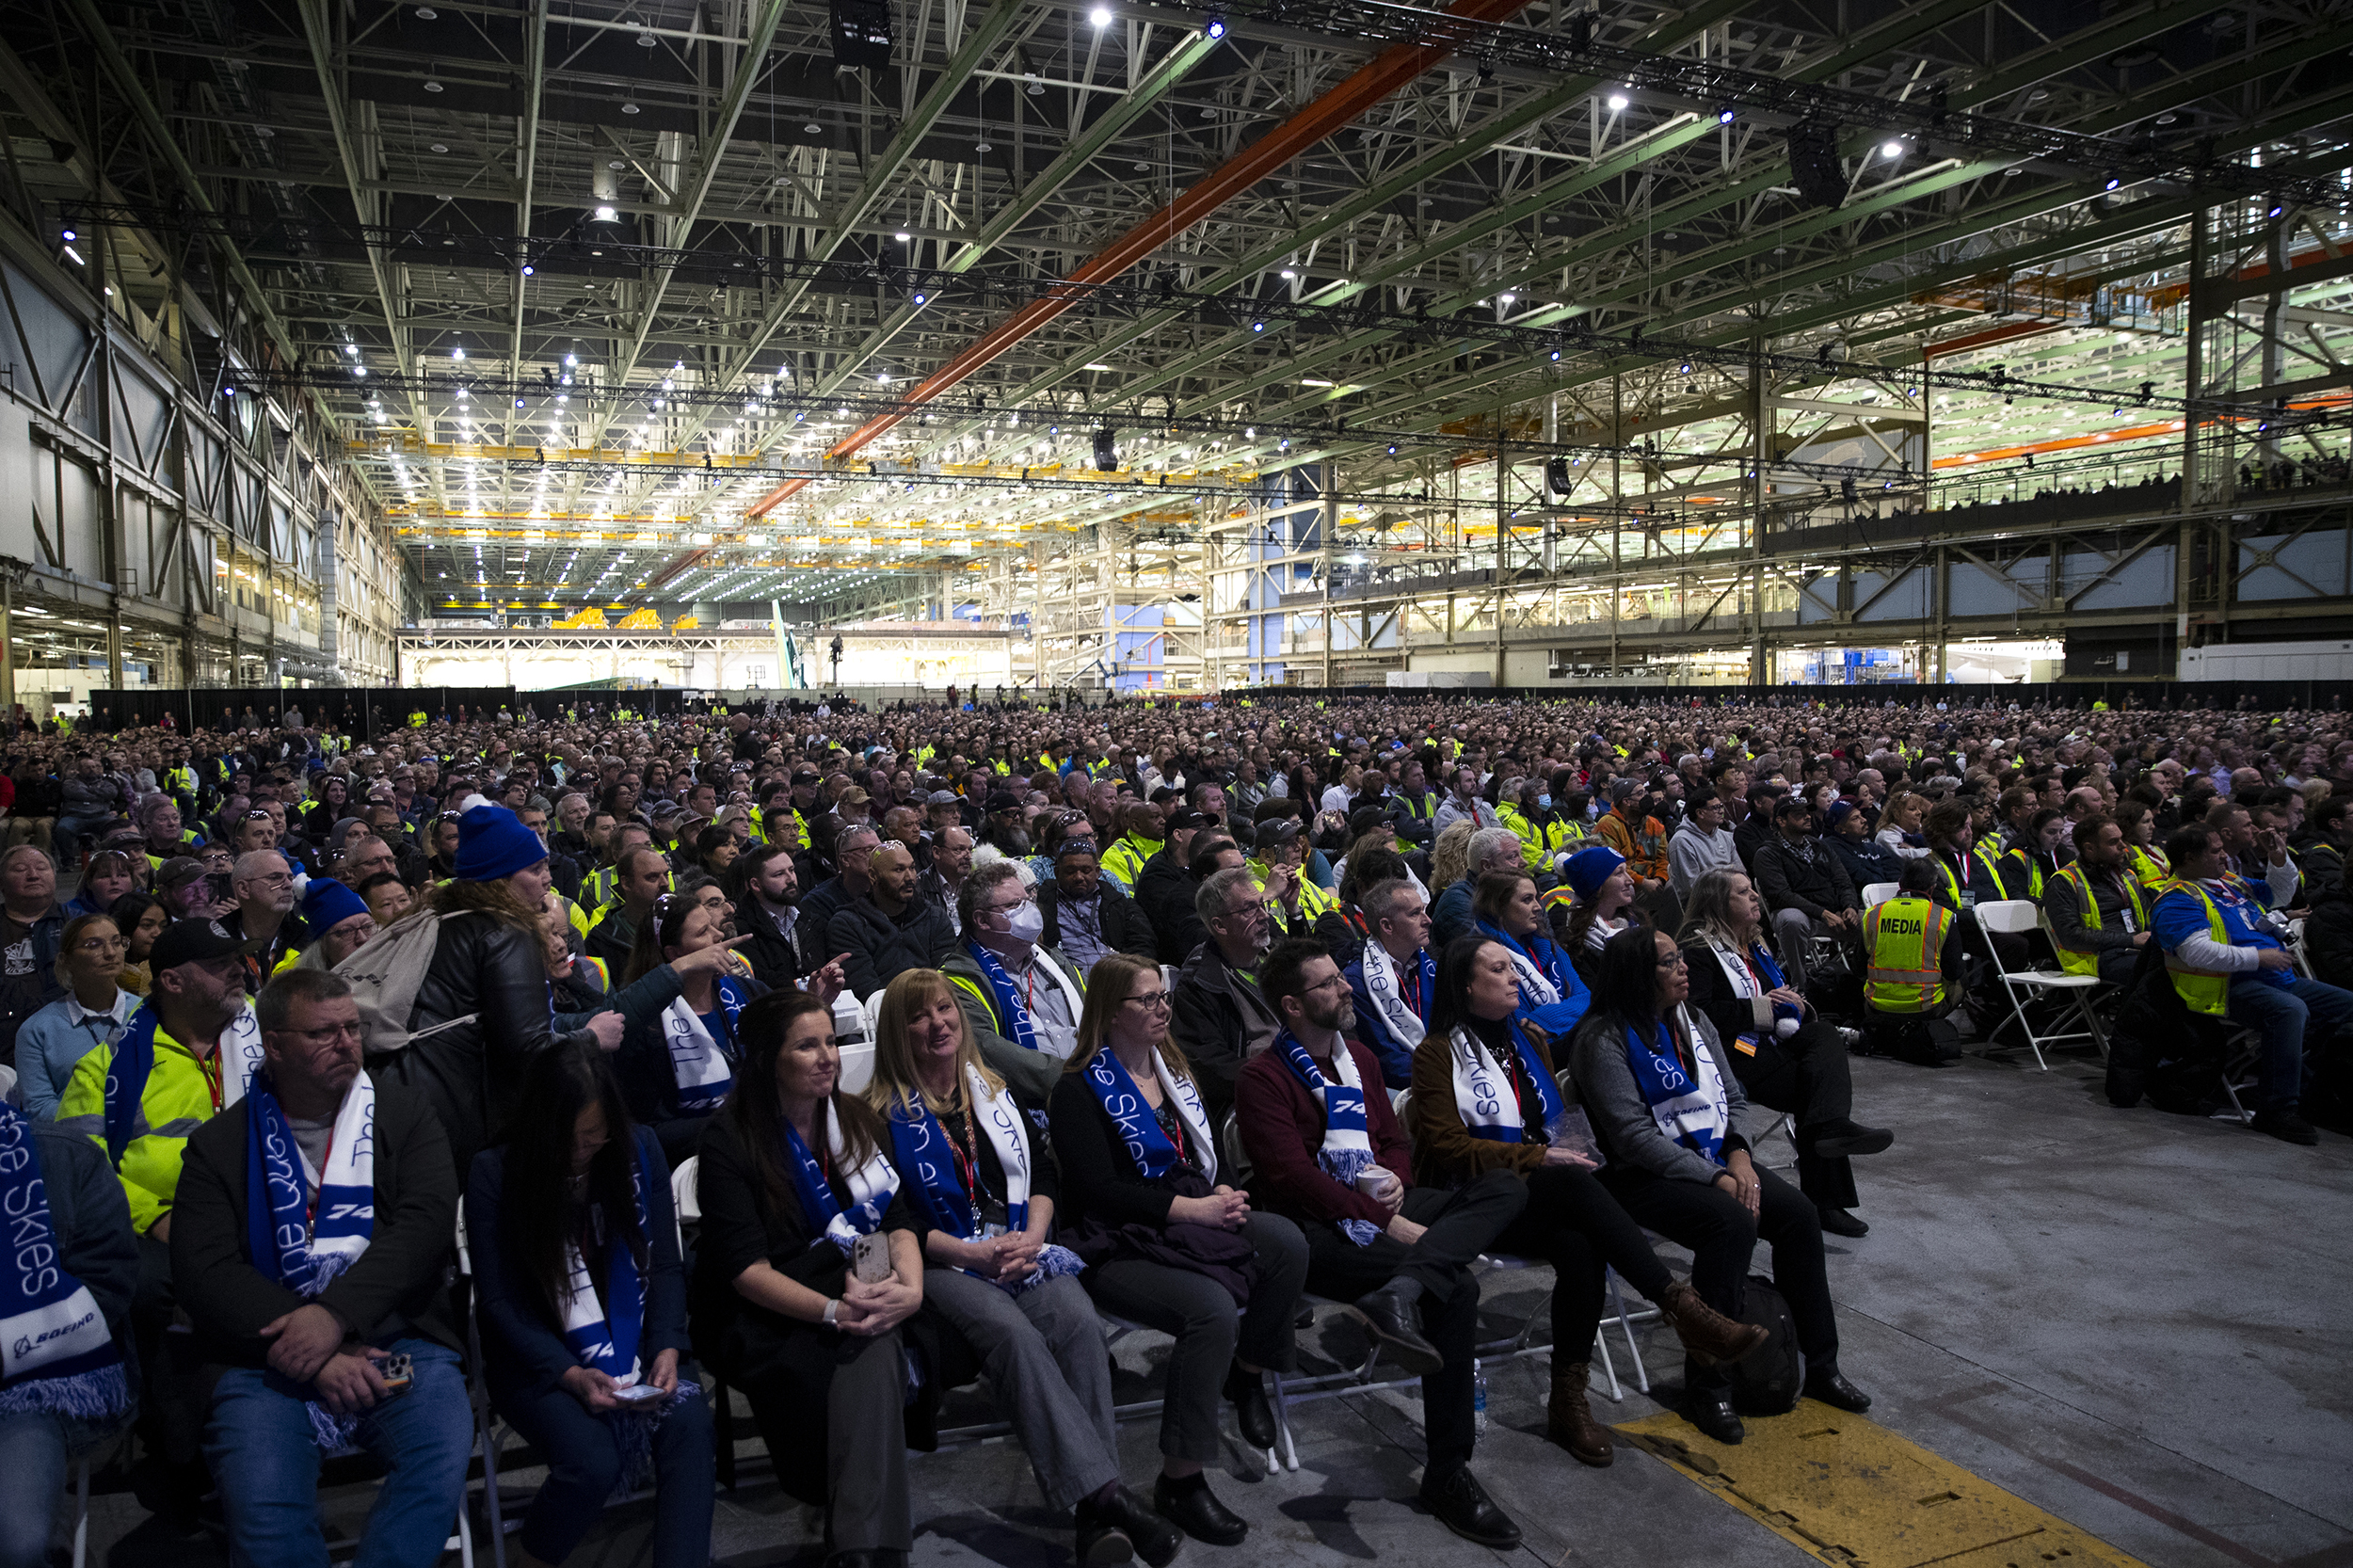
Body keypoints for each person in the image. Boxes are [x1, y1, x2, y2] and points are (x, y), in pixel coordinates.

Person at [865, 970, 1182, 1567]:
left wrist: (1034, 1237)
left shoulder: (991, 1091)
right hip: (942, 1262)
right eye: (919, 1016)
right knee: (1014, 1336)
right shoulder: (879, 1117)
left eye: (945, 1009)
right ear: (896, 1033)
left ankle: (1096, 1517)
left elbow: (1043, 1175)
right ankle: (1107, 1498)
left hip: (1021, 1246)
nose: (938, 1024)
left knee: (1078, 1322)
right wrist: (970, 1254)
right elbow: (890, 1220)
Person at [1409, 935, 1766, 1464]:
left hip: (1543, 1197)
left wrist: (1562, 1153)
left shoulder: (1527, 1041)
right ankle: (1680, 1307)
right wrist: (1539, 1158)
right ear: (1465, 987)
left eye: (1512, 968)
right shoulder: (1436, 1054)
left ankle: (1568, 1401)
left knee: (1582, 1245)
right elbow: (1448, 1148)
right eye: (1499, 970)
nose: (1515, 977)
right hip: (1474, 1203)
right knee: (1573, 1187)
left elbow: (1556, 1125)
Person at [168, 969, 472, 1568]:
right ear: (275, 1046)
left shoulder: (404, 1114)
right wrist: (318, 1352)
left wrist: (335, 1317)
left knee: (437, 1454)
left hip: (392, 1341)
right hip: (261, 1360)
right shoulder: (220, 1145)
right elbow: (205, 1272)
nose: (346, 1043)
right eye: (322, 1033)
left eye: (352, 1029)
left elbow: (424, 1227)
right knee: (264, 1508)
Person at [1236, 940, 1525, 1545]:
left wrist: (1395, 1181)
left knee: (1505, 1186)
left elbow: (1392, 1140)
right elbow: (1293, 1180)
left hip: (1379, 1201)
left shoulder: (1360, 1058)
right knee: (1457, 1288)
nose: (1346, 988)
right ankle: (1448, 1473)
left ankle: (1404, 1287)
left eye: (1340, 979)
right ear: (1292, 1005)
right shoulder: (1263, 1078)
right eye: (1328, 984)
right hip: (1316, 1227)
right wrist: (1385, 1220)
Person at [1570, 926, 1870, 1444]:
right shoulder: (1602, 1039)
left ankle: (1821, 1365)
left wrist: (1739, 1157)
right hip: (1637, 1177)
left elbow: (1734, 1097)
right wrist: (1716, 1177)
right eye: (1668, 962)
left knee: (1798, 1215)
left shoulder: (1695, 1020)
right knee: (1729, 1223)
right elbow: (1633, 1138)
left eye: (1679, 958)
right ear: (1637, 975)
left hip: (1712, 1156)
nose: (1683, 967)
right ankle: (1709, 1388)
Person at [1050, 953, 1307, 1546]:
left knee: (1287, 1244)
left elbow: (1199, 1155)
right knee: (1210, 1309)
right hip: (1115, 1240)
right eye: (1147, 999)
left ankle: (1247, 1373)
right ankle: (1181, 1482)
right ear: (1111, 1011)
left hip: (1189, 1213)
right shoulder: (1076, 1088)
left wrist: (1218, 1193)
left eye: (1163, 996)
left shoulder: (1173, 1069)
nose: (1163, 1007)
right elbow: (1097, 1190)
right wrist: (1193, 1210)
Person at [689, 991, 952, 1568]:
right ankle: (869, 1546)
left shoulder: (852, 1117)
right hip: (769, 1307)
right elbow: (746, 1271)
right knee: (872, 1346)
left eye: (830, 1041)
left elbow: (897, 1221)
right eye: (807, 1046)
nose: (828, 1057)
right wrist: (834, 1312)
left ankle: (858, 1546)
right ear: (766, 1059)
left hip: (860, 1278)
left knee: (884, 1335)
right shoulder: (729, 1139)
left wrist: (910, 1289)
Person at [467, 1043, 712, 1568]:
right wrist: (571, 1375)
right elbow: (501, 1301)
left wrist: (667, 1346)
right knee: (591, 1460)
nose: (584, 1148)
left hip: (638, 1338)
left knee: (689, 1427)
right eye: (571, 1136)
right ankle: (532, 1558)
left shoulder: (637, 1149)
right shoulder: (497, 1172)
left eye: (596, 1134)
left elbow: (665, 1267)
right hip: (542, 1358)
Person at [374, 805, 622, 1182]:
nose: (547, 880)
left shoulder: (444, 918)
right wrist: (592, 1037)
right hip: (454, 1108)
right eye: (534, 870)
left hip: (406, 1099)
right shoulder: (505, 932)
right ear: (499, 880)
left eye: (546, 866)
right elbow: (529, 1049)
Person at [1678, 870, 1893, 1237]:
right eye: (1743, 893)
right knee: (1816, 1091)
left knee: (1824, 1034)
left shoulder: (1753, 943)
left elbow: (1778, 996)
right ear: (1718, 903)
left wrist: (1796, 1005)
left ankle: (1831, 1131)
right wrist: (1762, 1008)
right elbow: (1697, 1015)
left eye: (1753, 890)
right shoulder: (1699, 949)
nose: (1755, 897)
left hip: (1770, 1043)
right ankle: (1826, 1201)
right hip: (1730, 1057)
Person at [2152, 823, 2353, 1145]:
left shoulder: (2229, 883)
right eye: (2216, 850)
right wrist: (2258, 957)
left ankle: (2311, 1091)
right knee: (2289, 1011)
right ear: (2189, 858)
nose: (2224, 856)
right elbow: (2196, 953)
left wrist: (2278, 860)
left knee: (2347, 1007)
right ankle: (2277, 1109)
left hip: (2275, 978)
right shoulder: (2177, 899)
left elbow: (2279, 895)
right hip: (2224, 986)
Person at [0, 1098, 137, 1568]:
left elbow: (108, 1282)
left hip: (31, 1386)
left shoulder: (63, 1156)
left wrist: (11, 1344)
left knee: (17, 1543)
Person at [615, 894, 766, 1161]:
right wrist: (731, 1125)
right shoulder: (646, 1027)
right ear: (675, 954)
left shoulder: (748, 991)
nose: (719, 935)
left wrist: (816, 999)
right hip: (697, 1160)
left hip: (764, 1145)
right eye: (703, 932)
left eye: (712, 926)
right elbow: (650, 1132)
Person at [943, 860, 1089, 1104]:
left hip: (1093, 1077)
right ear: (982, 920)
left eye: (1028, 900)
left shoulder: (1054, 960)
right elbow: (987, 1049)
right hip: (1033, 1098)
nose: (1029, 910)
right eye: (1014, 905)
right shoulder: (959, 979)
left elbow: (1096, 1016)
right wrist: (1072, 1079)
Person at [1169, 865, 1285, 1120]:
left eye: (1261, 904)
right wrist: (1278, 1076)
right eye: (1249, 909)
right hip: (1259, 1097)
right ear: (1219, 925)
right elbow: (1210, 1066)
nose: (1264, 916)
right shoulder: (1198, 984)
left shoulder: (1281, 958)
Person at [14, 913, 137, 1120]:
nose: (110, 953)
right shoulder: (37, 1029)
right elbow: (39, 1107)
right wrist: (105, 1123)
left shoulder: (147, 1013)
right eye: (94, 945)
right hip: (74, 1135)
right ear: (66, 960)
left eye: (117, 942)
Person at [1858, 858, 1967, 1064]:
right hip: (1925, 1009)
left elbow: (1858, 966)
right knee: (1963, 977)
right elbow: (1953, 971)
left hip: (1876, 1006)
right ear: (1932, 888)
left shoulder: (1873, 914)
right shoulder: (1942, 917)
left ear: (1900, 883)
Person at [1751, 795, 1862, 983]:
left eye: (1807, 812)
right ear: (1781, 821)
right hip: (1802, 916)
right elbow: (1781, 895)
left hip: (1835, 914)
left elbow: (1844, 882)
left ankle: (1863, 979)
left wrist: (1850, 906)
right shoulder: (1767, 853)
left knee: (1875, 919)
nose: (1807, 817)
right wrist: (1822, 913)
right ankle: (1800, 984)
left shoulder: (1821, 846)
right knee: (1792, 919)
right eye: (1799, 814)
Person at [828, 842, 955, 1000]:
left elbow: (948, 978)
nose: (910, 878)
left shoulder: (934, 917)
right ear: (873, 876)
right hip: (879, 1011)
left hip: (934, 1004)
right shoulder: (847, 925)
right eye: (899, 870)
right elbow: (865, 991)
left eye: (912, 868)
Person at [1343, 877, 1436, 1089]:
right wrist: (1442, 1077)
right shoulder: (1356, 981)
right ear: (1387, 926)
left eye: (1423, 910)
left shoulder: (1433, 969)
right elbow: (1387, 1058)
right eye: (1415, 913)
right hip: (1399, 1086)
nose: (1428, 920)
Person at [1472, 869, 1590, 1036]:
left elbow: (1586, 998)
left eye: (1536, 898)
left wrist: (1542, 1021)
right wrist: (1567, 1018)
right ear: (1499, 906)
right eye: (1527, 900)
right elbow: (1518, 1026)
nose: (1538, 907)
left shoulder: (1549, 947)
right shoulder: (1481, 957)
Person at [2044, 815, 2151, 987]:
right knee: (2157, 972)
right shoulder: (2064, 881)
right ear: (2090, 849)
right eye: (2113, 842)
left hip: (2136, 950)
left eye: (2121, 839)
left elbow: (2148, 919)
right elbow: (2071, 937)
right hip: (2096, 957)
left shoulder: (2127, 876)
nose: (2123, 846)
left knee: (2182, 962)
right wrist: (2130, 940)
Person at [1040, 838, 1157, 971]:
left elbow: (1144, 943)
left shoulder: (1120, 904)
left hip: (1119, 975)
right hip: (1068, 977)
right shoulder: (1043, 905)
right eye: (1070, 871)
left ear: (1097, 872)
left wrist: (1128, 973)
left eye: (1086, 871)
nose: (1078, 877)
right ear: (1057, 873)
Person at [0, 843, 69, 1073]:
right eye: (20, 869)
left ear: (54, 876)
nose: (33, 875)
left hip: (67, 1027)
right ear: (1, 883)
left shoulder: (78, 923)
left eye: (41, 868)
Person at [1551, 844, 1641, 987]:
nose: (1630, 880)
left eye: (1626, 871)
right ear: (1598, 886)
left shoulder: (1636, 920)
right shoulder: (1577, 947)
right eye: (1619, 873)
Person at [1431, 826, 1521, 951]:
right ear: (1486, 865)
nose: (1523, 863)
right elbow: (1483, 953)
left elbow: (1543, 936)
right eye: (1513, 857)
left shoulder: (1516, 893)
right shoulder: (1457, 899)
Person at [587, 844, 672, 971]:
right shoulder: (601, 941)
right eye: (652, 877)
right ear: (626, 883)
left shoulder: (683, 921)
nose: (665, 883)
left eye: (666, 874)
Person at [1668, 791, 1741, 901]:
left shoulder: (1725, 836)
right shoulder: (1681, 841)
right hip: (1702, 902)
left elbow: (1740, 870)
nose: (1721, 811)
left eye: (1721, 806)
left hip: (1730, 893)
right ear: (1700, 813)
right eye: (1716, 807)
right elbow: (1692, 886)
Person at [109, 890, 168, 996]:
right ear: (124, 928)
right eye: (147, 925)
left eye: (163, 926)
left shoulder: (173, 970)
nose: (158, 933)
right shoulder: (104, 973)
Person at [67, 850, 138, 920]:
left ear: (132, 881)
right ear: (89, 883)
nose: (115, 881)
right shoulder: (67, 914)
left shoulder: (143, 909)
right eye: (105, 876)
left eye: (122, 875)